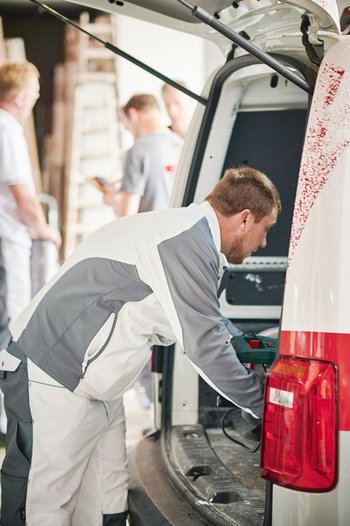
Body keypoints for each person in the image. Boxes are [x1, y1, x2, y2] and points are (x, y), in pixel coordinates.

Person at [0, 166, 281, 526]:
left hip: (94, 378)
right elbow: (205, 347)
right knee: (49, 502)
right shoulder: (183, 243)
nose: (264, 243)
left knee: (107, 492)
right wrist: (266, 407)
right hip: (51, 368)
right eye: (266, 229)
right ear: (245, 219)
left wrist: (239, 342)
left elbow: (204, 322)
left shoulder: (190, 238)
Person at [0, 61, 61, 322]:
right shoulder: (8, 130)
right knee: (12, 318)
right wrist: (45, 230)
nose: (37, 96)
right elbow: (23, 198)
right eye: (35, 90)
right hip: (8, 237)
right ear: (19, 97)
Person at [103, 93, 183, 217]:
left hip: (154, 234)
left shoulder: (137, 151)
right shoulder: (181, 144)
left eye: (127, 127)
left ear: (133, 115)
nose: (129, 132)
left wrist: (113, 201)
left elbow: (126, 217)